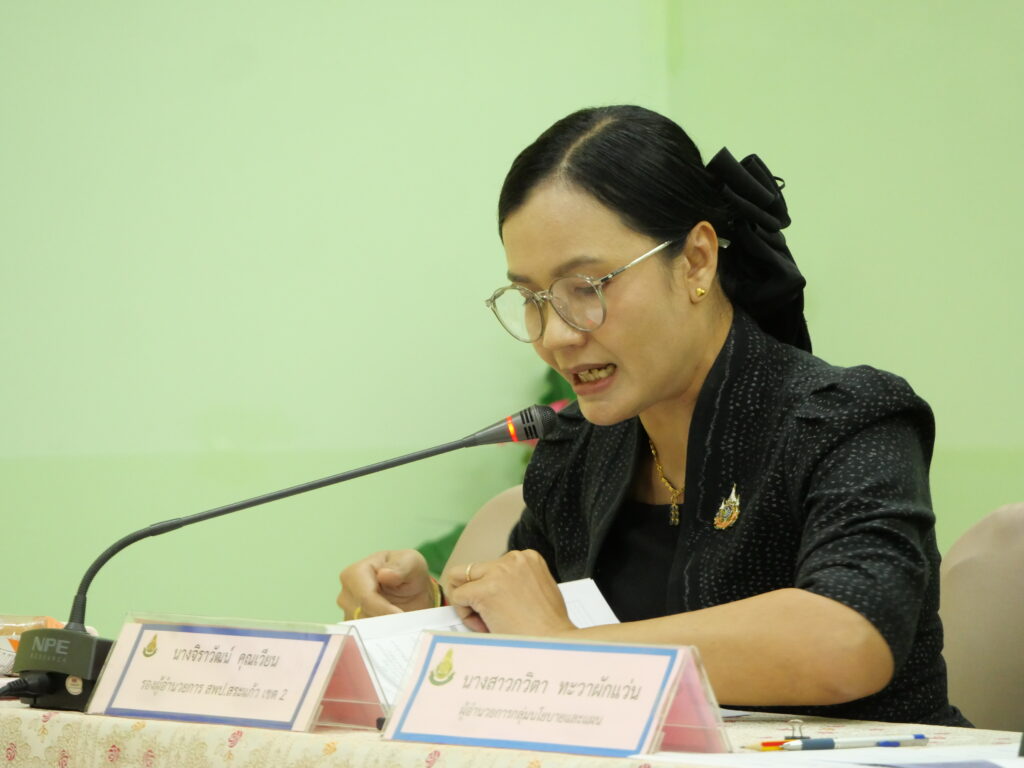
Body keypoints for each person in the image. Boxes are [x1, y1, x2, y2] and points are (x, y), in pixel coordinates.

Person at [337, 105, 968, 726]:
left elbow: (848, 639)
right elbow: (522, 631)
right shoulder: (578, 452)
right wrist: (430, 617)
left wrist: (562, 649)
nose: (555, 335)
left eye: (587, 287)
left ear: (696, 261)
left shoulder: (843, 418)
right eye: (531, 297)